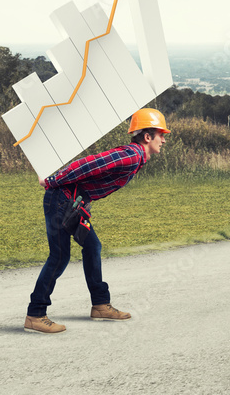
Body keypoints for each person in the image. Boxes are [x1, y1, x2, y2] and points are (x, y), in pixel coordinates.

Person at [23, 108, 170, 334]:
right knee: (59, 256)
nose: (164, 139)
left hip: (72, 202)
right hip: (61, 199)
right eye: (161, 134)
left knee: (93, 246)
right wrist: (53, 181)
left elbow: (94, 178)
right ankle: (35, 314)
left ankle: (100, 305)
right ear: (147, 137)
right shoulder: (131, 155)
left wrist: (85, 201)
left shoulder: (136, 157)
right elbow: (88, 165)